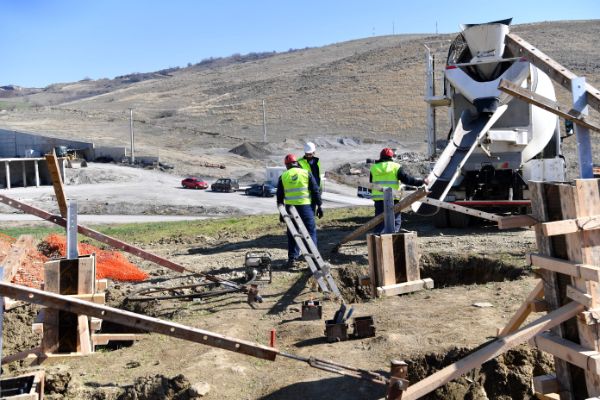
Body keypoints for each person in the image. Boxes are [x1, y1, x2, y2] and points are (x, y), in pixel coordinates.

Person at [277, 154, 323, 267]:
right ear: (296, 163)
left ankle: (292, 259)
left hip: (290, 209)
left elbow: (279, 197)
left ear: (287, 165)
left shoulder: (283, 176)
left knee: (293, 233)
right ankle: (314, 261)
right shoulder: (306, 173)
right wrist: (319, 206)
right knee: (310, 233)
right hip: (305, 208)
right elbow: (315, 191)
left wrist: (281, 213)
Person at [370, 147, 428, 233]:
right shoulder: (396, 167)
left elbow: (371, 183)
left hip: (378, 199)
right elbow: (407, 180)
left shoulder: (373, 168)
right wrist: (421, 182)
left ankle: (378, 236)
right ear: (391, 157)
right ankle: (394, 236)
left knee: (379, 220)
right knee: (395, 219)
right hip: (393, 198)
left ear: (381, 156)